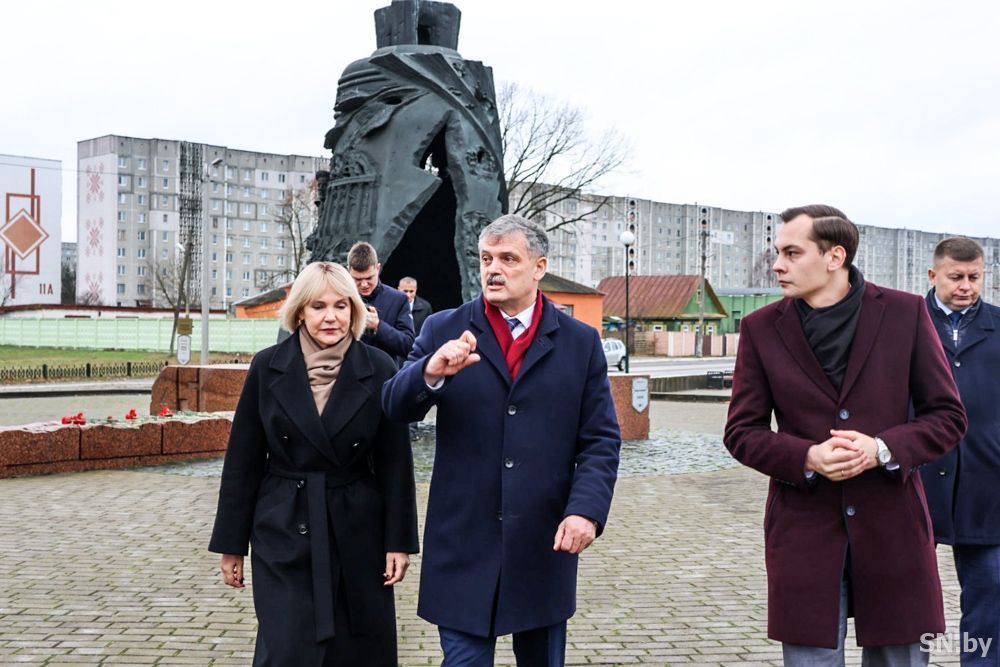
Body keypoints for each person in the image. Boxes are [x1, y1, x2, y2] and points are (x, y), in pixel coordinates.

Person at [723, 205, 967, 666]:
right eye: (778, 252)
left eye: (792, 253)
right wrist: (807, 456)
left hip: (893, 527)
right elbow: (741, 432)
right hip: (804, 531)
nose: (778, 265)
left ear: (835, 257)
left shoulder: (906, 313)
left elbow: (948, 416)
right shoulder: (760, 328)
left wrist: (882, 449)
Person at [382, 214, 621, 666]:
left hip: (543, 542)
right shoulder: (443, 328)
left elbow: (600, 440)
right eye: (486, 258)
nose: (493, 269)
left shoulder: (579, 342)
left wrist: (586, 511)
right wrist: (430, 372)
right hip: (464, 542)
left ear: (539, 267)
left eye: (508, 259)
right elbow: (393, 405)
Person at [208, 261, 418, 666]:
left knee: (355, 650)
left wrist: (399, 541)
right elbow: (242, 462)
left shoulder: (378, 367)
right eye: (319, 306)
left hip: (357, 531)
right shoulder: (267, 366)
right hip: (283, 528)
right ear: (300, 311)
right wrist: (231, 545)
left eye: (341, 305)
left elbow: (395, 463)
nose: (331, 317)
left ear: (355, 310)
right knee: (287, 647)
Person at [920, 237, 1000, 666]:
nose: (966, 286)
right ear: (933, 275)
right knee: (910, 595)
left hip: (989, 481)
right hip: (916, 477)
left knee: (990, 593)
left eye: (974, 277)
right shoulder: (904, 325)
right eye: (956, 277)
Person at [347, 241, 415, 365]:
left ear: (378, 268)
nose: (364, 284)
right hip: (349, 371)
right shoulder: (341, 299)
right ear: (349, 271)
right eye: (357, 279)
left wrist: (378, 326)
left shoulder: (398, 299)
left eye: (369, 278)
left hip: (384, 372)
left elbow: (409, 347)